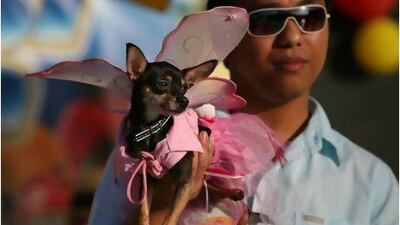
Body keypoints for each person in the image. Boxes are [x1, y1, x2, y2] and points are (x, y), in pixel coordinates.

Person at [89, 0, 399, 224]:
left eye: (309, 16)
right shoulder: (144, 150)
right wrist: (167, 199)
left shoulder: (371, 182)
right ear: (221, 39)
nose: (292, 37)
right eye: (267, 20)